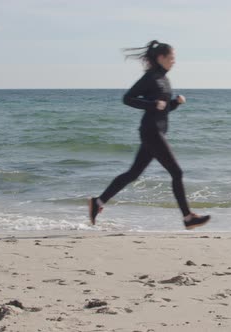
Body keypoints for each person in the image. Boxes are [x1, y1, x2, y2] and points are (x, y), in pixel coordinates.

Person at [89, 40, 210, 230]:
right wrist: (152, 105)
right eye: (171, 58)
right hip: (151, 131)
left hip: (156, 131)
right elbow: (128, 98)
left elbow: (163, 109)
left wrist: (174, 103)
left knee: (133, 173)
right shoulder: (150, 77)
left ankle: (98, 202)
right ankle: (188, 217)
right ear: (161, 58)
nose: (174, 61)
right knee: (177, 173)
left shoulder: (163, 78)